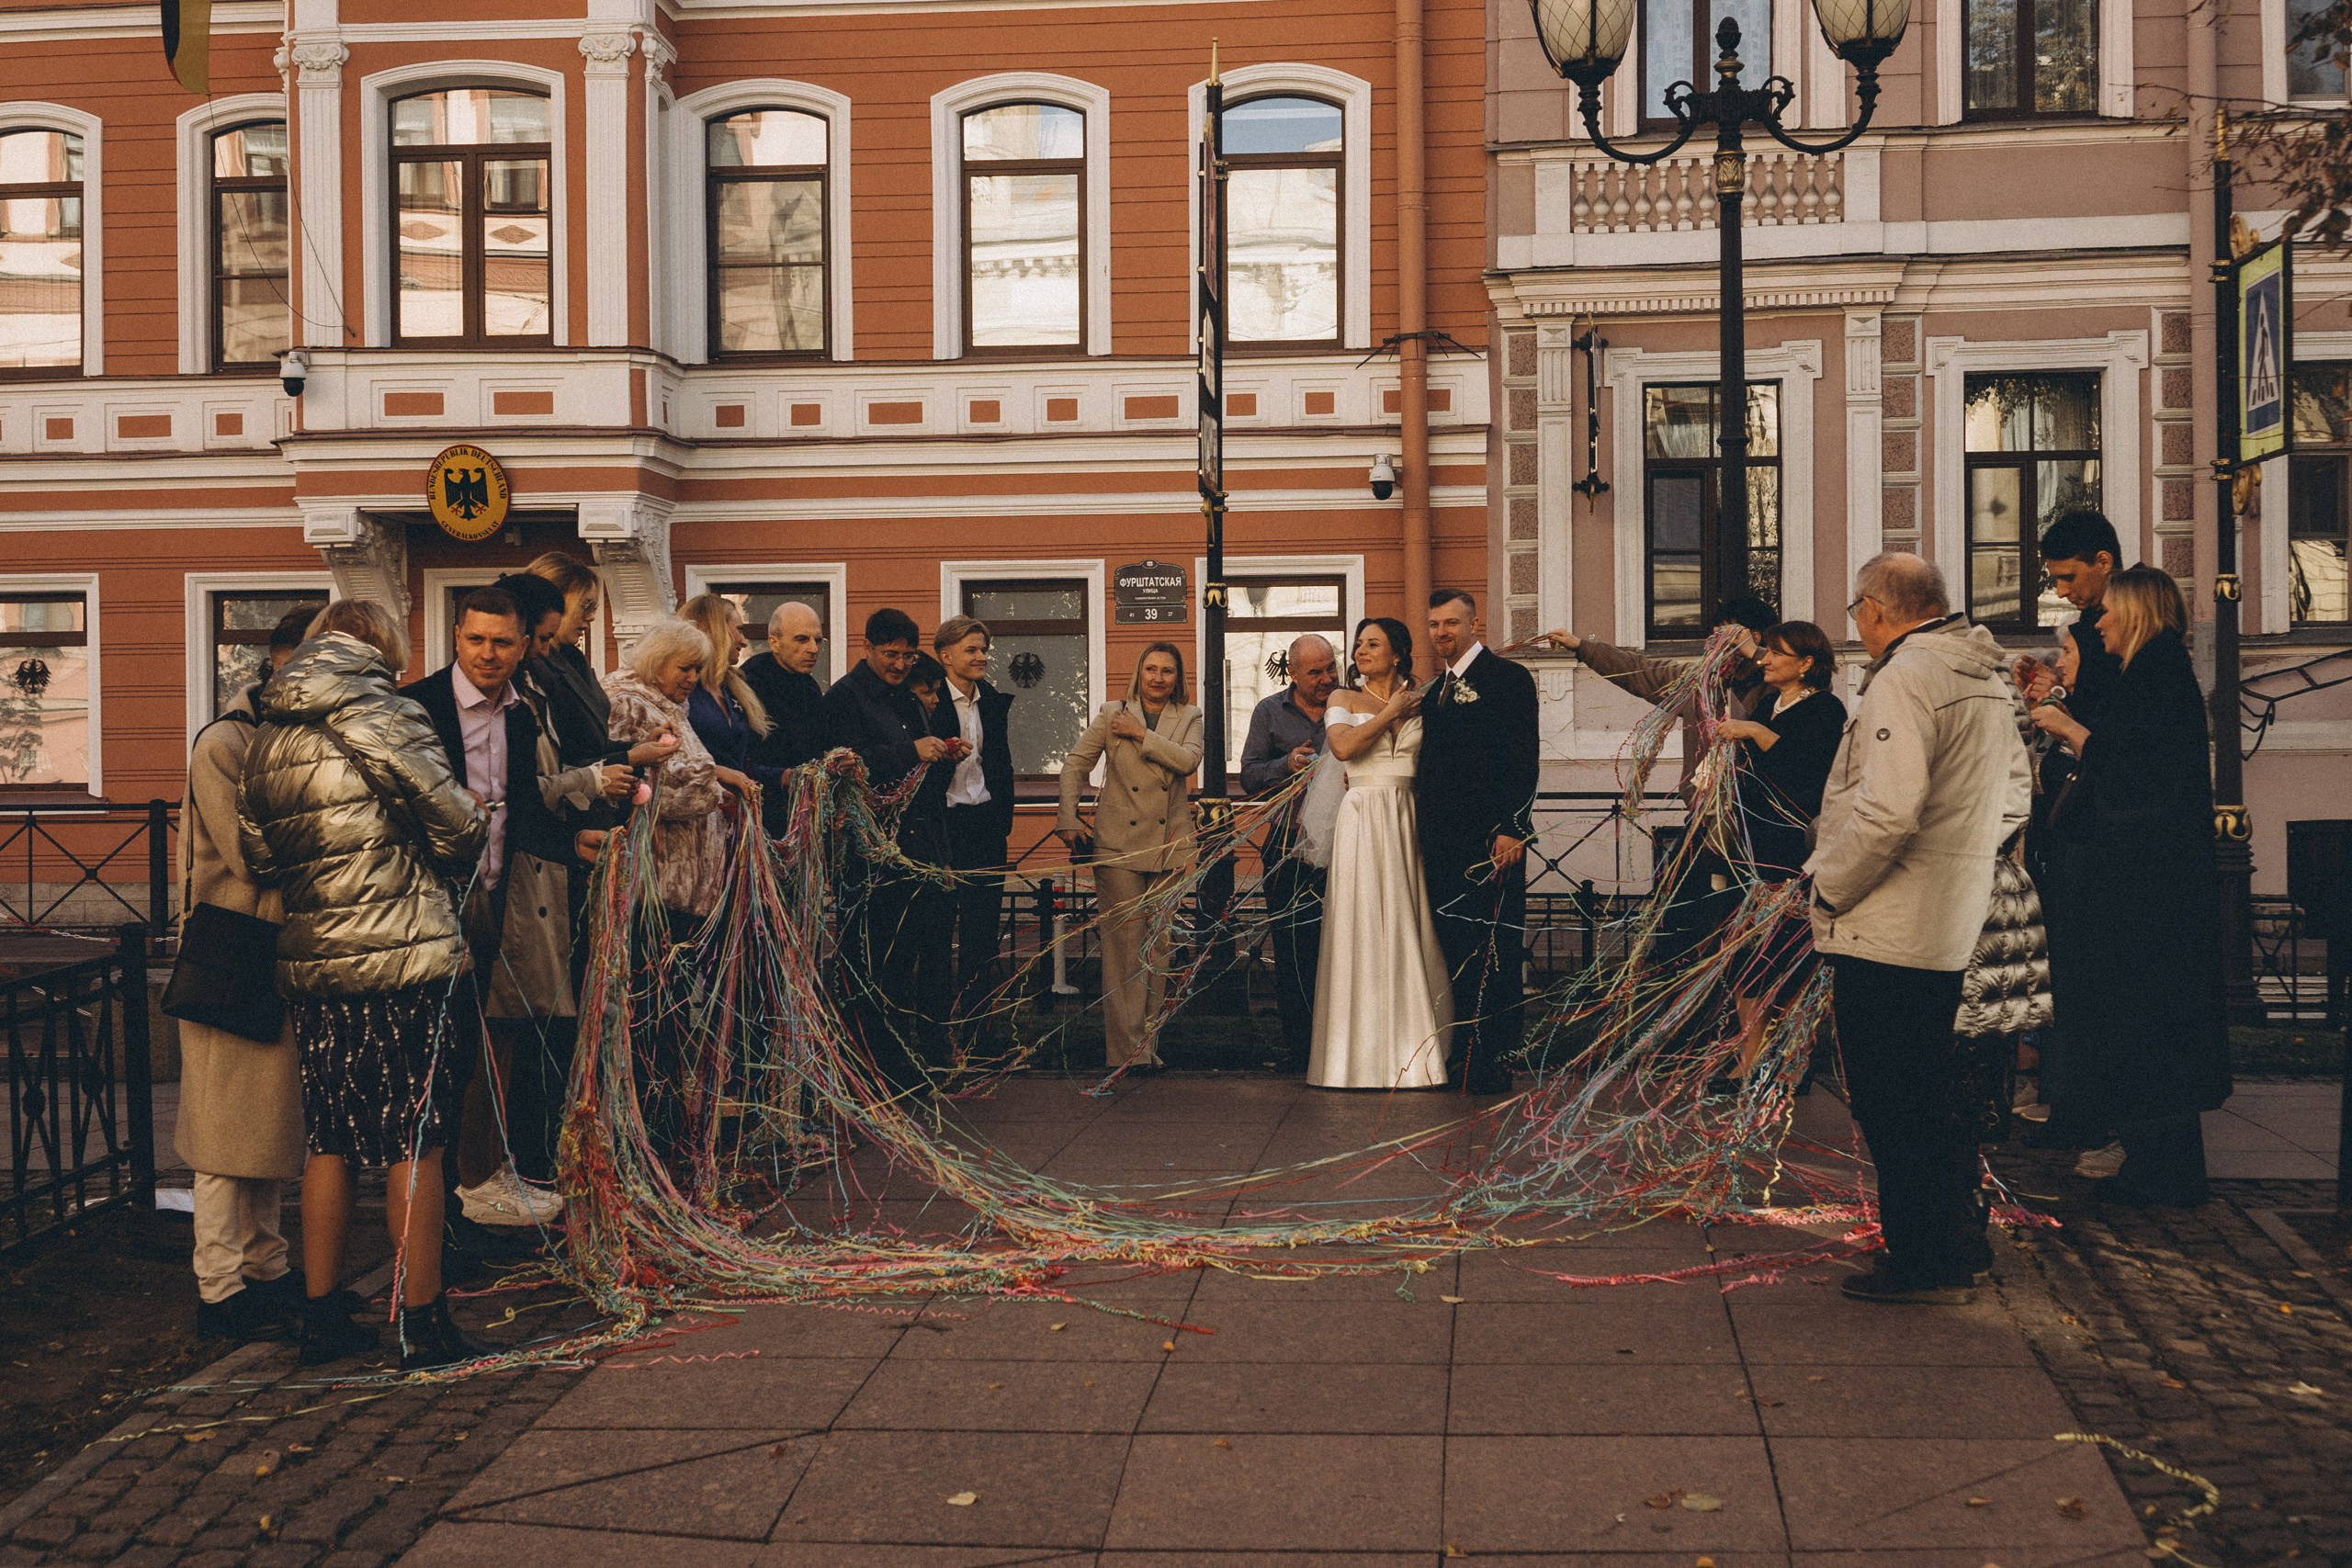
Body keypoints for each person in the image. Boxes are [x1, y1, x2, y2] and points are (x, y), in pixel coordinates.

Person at [239, 600, 490, 1369]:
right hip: (406, 958)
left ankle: (322, 1318)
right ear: (381, 645)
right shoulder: (391, 712)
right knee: (415, 1137)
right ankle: (421, 1320)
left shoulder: (270, 735)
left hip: (316, 964)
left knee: (331, 1139)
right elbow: (461, 827)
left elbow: (260, 857)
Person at [1806, 553, 2030, 1305]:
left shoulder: (1906, 676)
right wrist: (1960, 866)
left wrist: (1830, 885)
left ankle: (1921, 1256)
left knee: (1889, 1099)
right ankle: (1954, 1242)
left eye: (1856, 614)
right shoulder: (1984, 674)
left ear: (1875, 608)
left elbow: (1888, 810)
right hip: (1950, 921)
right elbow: (2013, 797)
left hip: (1888, 925)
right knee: (1933, 1097)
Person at [2026, 567, 2231, 1206]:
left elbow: (2138, 780)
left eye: (2110, 611)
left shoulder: (2156, 676)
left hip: (2150, 896)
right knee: (2145, 1034)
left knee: (2149, 1033)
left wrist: (2069, 731)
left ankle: (2163, 1176)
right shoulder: (2151, 674)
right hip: (2148, 891)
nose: (2101, 622)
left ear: (2137, 611)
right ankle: (2158, 1168)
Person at [404, 586, 591, 1235]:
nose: (489, 654)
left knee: (488, 1054)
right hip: (432, 910)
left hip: (498, 901)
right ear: (457, 637)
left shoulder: (518, 713)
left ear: (521, 648)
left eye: (503, 642)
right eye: (477, 640)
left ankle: (471, 1195)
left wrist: (573, 840)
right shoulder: (419, 705)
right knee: (439, 1065)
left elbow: (527, 805)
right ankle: (439, 1221)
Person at [175, 603, 320, 1340]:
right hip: (233, 951)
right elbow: (248, 854)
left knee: (269, 1127)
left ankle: (265, 1268)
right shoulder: (226, 743)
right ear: (283, 661)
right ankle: (220, 1286)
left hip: (275, 949)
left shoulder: (285, 736)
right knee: (224, 1133)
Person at [2009, 508, 2125, 1150]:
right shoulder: (2093, 632)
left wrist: (2062, 707)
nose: (2060, 589)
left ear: (2104, 563)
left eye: (2068, 576)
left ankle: (2084, 1109)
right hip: (2066, 825)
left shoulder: (2119, 636)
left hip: (2093, 835)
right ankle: (2066, 1098)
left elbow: (2107, 738)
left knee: (2081, 974)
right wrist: (2052, 689)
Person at [1308, 617, 1452, 1089]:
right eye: (1359, 644)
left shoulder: (1429, 698)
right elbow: (1344, 747)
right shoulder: (1342, 699)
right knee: (1363, 920)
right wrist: (1391, 712)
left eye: (1373, 644)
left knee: (1412, 920)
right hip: (1364, 816)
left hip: (1409, 815)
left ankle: (1417, 1051)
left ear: (1397, 654)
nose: (1361, 651)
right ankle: (1353, 1057)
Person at [822, 608, 961, 1087]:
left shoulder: (907, 698)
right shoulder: (844, 697)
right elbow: (844, 764)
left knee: (912, 959)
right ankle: (872, 1064)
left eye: (907, 655)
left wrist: (942, 754)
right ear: (867, 648)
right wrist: (912, 751)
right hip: (871, 854)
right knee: (875, 962)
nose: (900, 665)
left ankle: (904, 1059)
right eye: (890, 655)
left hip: (919, 847)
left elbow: (926, 789)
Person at [1710, 619, 1845, 1092]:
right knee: (1748, 955)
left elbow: (1806, 769)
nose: (1765, 660)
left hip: (1795, 853)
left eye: (1775, 654)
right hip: (1757, 847)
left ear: (1806, 663)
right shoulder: (1770, 702)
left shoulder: (1827, 710)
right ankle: (1750, 1055)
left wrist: (1753, 732)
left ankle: (1790, 1060)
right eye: (1765, 651)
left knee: (1785, 957)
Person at [1417, 591, 1541, 1095]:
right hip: (1442, 841)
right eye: (1433, 624)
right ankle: (1465, 1053)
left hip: (1492, 840)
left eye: (1451, 623)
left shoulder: (1507, 679)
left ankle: (1495, 1058)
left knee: (1495, 947)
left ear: (1474, 624)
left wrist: (1512, 825)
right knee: (1457, 948)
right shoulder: (1435, 691)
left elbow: (1522, 758)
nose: (1441, 632)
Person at [1057, 644, 1204, 1071]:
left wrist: (1140, 734)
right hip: (1117, 846)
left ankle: (1146, 1045)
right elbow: (1073, 766)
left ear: (1178, 678)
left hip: (1169, 847)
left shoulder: (1189, 716)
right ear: (1138, 673)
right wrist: (1068, 816)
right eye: (1151, 669)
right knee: (1124, 949)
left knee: (1159, 948)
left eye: (1168, 671)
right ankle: (1124, 1052)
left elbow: (1188, 760)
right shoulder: (1110, 713)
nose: (1158, 678)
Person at [1239, 633, 1340, 1072]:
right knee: (1294, 949)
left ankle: (1339, 1043)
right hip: (1288, 846)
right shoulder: (1269, 712)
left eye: (1330, 667)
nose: (1326, 678)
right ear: (1293, 673)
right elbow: (1248, 776)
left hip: (1344, 844)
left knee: (1341, 945)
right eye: (1315, 672)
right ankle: (1301, 1050)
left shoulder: (1348, 704)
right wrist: (1286, 764)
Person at [603, 619, 733, 923]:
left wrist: (719, 791)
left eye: (697, 670)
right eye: (685, 668)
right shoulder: (627, 704)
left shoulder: (669, 706)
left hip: (679, 887)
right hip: (654, 885)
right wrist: (710, 787)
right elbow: (635, 789)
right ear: (657, 663)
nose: (693, 678)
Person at [935, 615, 1016, 1032]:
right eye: (971, 649)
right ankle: (937, 1031)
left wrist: (1002, 817)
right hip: (943, 827)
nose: (981, 656)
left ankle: (978, 1028)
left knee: (982, 934)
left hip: (984, 822)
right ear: (945, 656)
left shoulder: (991, 701)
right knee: (938, 931)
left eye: (983, 649)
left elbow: (998, 762)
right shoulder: (928, 701)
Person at [676, 592, 777, 807]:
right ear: (715, 630)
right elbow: (674, 765)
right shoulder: (682, 691)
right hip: (697, 818)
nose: (744, 640)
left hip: (735, 820)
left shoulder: (733, 690)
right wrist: (718, 774)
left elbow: (740, 766)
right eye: (739, 629)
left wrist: (787, 776)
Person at [742, 601, 830, 837]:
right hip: (760, 817)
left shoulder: (809, 686)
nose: (813, 648)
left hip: (803, 816)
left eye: (818, 640)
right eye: (802, 639)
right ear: (774, 642)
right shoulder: (750, 682)